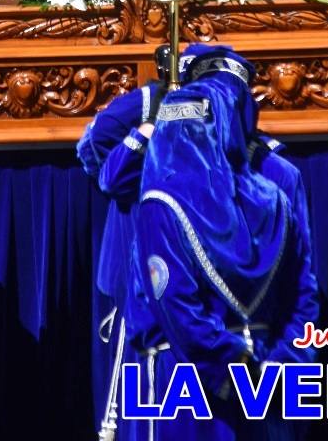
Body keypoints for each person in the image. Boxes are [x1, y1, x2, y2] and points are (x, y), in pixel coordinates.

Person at [123, 47, 316, 440]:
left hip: (202, 380)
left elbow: (177, 304)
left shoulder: (162, 202)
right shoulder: (272, 194)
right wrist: (280, 365)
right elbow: (304, 295)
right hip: (255, 380)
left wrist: (242, 367)